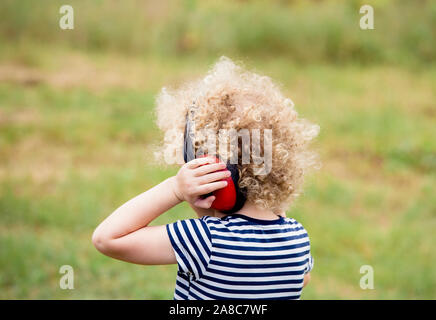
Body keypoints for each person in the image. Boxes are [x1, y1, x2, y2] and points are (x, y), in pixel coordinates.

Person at [92, 57, 319, 299]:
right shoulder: (297, 239)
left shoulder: (205, 240)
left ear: (210, 167)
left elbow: (107, 239)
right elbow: (302, 279)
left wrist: (175, 190)